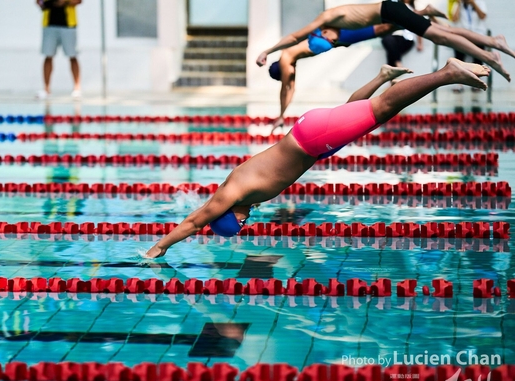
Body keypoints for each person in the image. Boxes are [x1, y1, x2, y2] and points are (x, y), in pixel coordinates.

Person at [144, 58, 490, 258]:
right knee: (357, 118)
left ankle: (446, 73)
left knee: (380, 110)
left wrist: (159, 247)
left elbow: (194, 221)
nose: (245, 223)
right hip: (312, 138)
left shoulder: (229, 195)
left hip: (311, 139)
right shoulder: (240, 194)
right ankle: (382, 76)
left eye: (239, 224)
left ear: (227, 217)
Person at [255, 0, 514, 82]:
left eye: (328, 40)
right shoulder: (340, 27)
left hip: (390, 10)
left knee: (442, 35)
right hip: (391, 15)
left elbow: (293, 36)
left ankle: (492, 52)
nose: (333, 41)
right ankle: (494, 41)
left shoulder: (329, 16)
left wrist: (268, 49)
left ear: (323, 32)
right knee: (445, 34)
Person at [269, 24, 396, 132]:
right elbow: (291, 89)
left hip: (332, 36)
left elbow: (286, 90)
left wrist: (281, 115)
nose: (292, 72)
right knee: (381, 29)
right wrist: (282, 114)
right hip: (334, 39)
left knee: (381, 28)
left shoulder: (286, 60)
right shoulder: (289, 57)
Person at [37, 0, 82, 99]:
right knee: (48, 55)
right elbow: (39, 2)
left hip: (68, 25)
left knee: (72, 55)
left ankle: (77, 88)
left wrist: (64, 1)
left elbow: (78, 1)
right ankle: (46, 89)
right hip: (49, 24)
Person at [450, 0, 487, 92]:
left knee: (478, 60)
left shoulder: (480, 2)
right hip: (463, 35)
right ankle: (459, 84)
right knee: (459, 60)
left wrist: (473, 3)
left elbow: (483, 16)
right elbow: (454, 19)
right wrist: (459, 4)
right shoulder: (457, 4)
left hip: (477, 34)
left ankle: (476, 83)